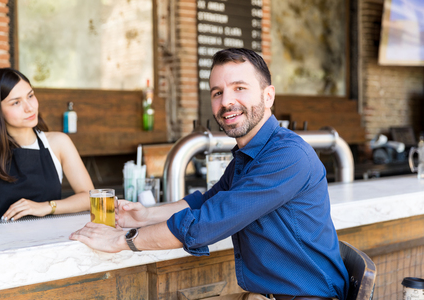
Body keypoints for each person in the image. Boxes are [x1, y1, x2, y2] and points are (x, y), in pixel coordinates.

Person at [70, 48, 349, 300]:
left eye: (239, 88)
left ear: (268, 95)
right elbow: (205, 202)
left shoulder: (287, 156)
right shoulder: (250, 154)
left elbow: (205, 224)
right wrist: (147, 215)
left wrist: (122, 240)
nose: (227, 101)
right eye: (217, 92)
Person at [0, 68, 94, 223]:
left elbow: (90, 198)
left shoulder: (58, 143)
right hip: (2, 245)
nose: (29, 107)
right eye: (16, 102)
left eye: (30, 96)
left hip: (49, 241)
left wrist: (46, 207)